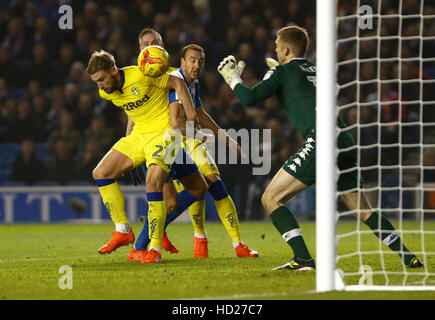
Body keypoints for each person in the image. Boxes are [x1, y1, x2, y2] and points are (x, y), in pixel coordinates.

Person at [218, 25, 423, 270]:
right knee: (362, 209)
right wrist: (279, 78)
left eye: (276, 47)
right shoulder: (317, 69)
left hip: (320, 140)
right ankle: (408, 256)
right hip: (344, 138)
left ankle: (303, 259)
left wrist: (233, 80)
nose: (275, 50)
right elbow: (304, 94)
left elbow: (250, 99)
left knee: (271, 198)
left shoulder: (283, 72)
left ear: (285, 49)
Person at [128, 29, 258, 260]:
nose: (197, 65)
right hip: (172, 143)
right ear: (181, 62)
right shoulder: (174, 82)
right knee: (185, 195)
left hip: (187, 140)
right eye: (192, 60)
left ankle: (231, 243)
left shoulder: (192, 84)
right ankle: (152, 241)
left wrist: (226, 138)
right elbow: (175, 123)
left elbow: (200, 113)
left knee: (212, 185)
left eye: (200, 61)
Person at [87, 49, 209, 264]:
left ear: (114, 70)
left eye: (102, 79)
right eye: (96, 81)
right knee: (101, 173)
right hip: (139, 136)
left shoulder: (142, 74)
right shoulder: (106, 92)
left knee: (153, 184)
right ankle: (123, 230)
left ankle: (154, 249)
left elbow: (179, 84)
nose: (100, 86)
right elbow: (134, 107)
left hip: (163, 134)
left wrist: (191, 116)